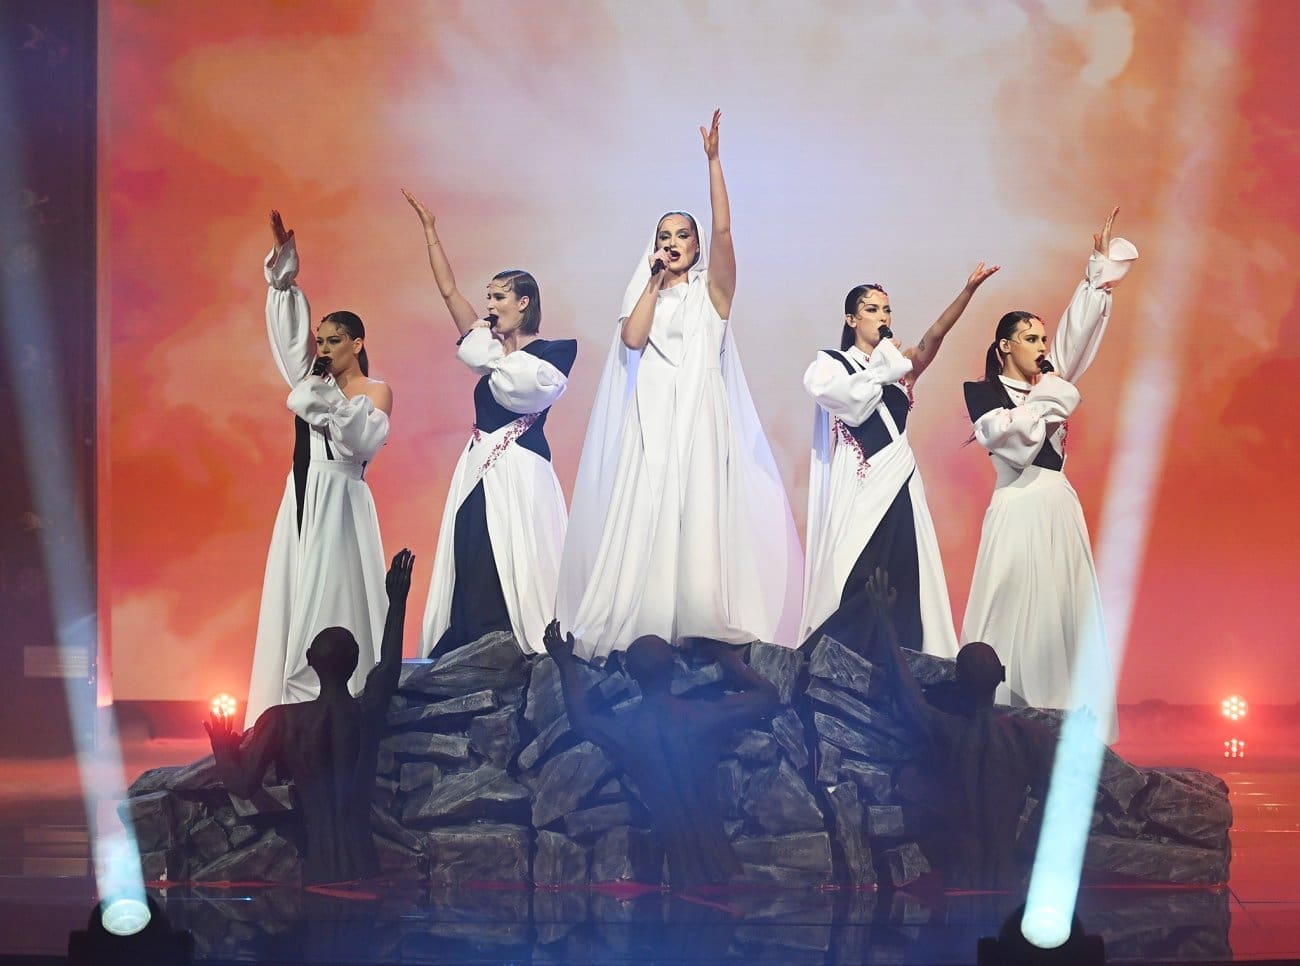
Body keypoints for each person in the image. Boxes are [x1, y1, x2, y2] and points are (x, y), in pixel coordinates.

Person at [557, 110, 802, 661]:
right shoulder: (647, 293)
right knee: (647, 509)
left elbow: (724, 232)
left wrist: (713, 162)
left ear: (695, 245)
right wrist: (652, 280)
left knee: (697, 511)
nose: (673, 243)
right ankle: (646, 622)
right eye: (664, 236)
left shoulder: (712, 294)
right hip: (653, 415)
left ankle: (698, 620)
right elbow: (633, 340)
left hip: (698, 411)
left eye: (682, 236)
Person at [961, 208, 1137, 735]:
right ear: (1005, 346)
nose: (1043, 347)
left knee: (1063, 611)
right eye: (1031, 339)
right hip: (1016, 507)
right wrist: (1052, 395)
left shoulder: (1049, 383)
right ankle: (1000, 718)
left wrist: (1097, 272)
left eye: (1043, 338)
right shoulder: (984, 392)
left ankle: (1068, 722)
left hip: (1058, 506)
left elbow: (1075, 336)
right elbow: (1012, 441)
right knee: (1010, 608)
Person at [402, 190, 577, 662]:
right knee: (471, 542)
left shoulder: (552, 352)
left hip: (520, 468)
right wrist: (431, 233)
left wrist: (488, 349)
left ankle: (518, 647)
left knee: (515, 553)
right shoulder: (488, 348)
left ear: (524, 302)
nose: (490, 305)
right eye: (489, 297)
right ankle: (472, 644)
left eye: (499, 297)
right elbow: (449, 294)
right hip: (479, 467)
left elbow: (525, 387)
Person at [801, 263, 999, 653]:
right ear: (851, 319)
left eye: (887, 310)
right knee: (856, 567)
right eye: (872, 309)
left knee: (904, 569)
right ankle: (840, 657)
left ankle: (902, 658)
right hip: (862, 481)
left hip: (900, 477)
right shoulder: (833, 364)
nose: (883, 317)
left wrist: (968, 291)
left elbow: (934, 336)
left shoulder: (899, 368)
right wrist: (879, 368)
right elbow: (839, 399)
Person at [245, 211, 393, 727]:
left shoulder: (373, 391)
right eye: (321, 340)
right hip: (304, 493)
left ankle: (345, 701)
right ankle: (288, 710)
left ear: (357, 343)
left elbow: (361, 440)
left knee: (335, 587)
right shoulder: (313, 380)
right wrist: (283, 274)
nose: (323, 348)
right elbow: (288, 339)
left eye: (333, 340)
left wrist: (324, 398)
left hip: (341, 496)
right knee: (296, 586)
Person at [208, 549, 414, 885]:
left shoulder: (282, 721)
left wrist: (221, 745)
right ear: (355, 661)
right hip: (364, 868)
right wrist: (397, 602)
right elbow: (389, 666)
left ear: (308, 660)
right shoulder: (366, 712)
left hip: (319, 871)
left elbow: (242, 784)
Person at [543, 619, 778, 890]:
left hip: (684, 877)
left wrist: (565, 664)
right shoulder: (702, 716)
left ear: (632, 675)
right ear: (674, 668)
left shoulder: (628, 733)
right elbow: (767, 696)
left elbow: (582, 721)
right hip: (724, 868)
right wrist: (720, 651)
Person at [862, 568, 1056, 890]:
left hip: (960, 884)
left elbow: (908, 696)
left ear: (958, 679)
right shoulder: (1027, 738)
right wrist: (1026, 851)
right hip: (1006, 880)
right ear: (1001, 676)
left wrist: (885, 622)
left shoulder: (951, 733)